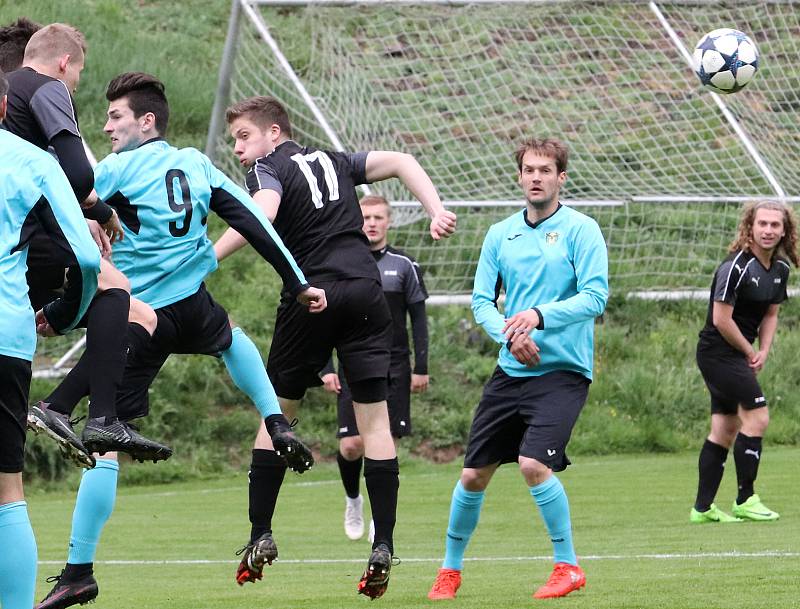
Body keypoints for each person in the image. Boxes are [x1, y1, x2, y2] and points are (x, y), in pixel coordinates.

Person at [35, 73, 326, 609]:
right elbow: (253, 223)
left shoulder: (116, 168)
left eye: (115, 116)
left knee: (103, 447)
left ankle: (78, 570)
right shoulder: (197, 162)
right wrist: (299, 281)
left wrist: (55, 302)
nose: (106, 126)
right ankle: (274, 418)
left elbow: (64, 215)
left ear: (146, 121)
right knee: (229, 335)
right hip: (192, 303)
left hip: (139, 315)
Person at [217, 95, 456, 598]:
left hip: (314, 294)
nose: (239, 148)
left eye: (244, 135)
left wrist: (208, 258)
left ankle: (260, 532)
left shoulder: (269, 167)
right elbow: (402, 161)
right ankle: (384, 543)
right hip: (367, 293)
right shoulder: (335, 159)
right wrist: (435, 209)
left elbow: (262, 215)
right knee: (375, 422)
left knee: (275, 412)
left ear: (274, 133)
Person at [427, 138, 608, 601]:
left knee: (532, 464)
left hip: (563, 372)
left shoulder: (581, 229)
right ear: (520, 176)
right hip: (510, 371)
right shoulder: (500, 233)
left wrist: (538, 316)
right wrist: (510, 334)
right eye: (529, 169)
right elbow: (482, 302)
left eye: (545, 170)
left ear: (561, 177)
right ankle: (449, 570)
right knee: (472, 476)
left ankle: (568, 566)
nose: (535, 177)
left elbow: (594, 296)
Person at [4, 23, 167, 465]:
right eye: (78, 72)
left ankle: (60, 406)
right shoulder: (48, 88)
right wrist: (97, 210)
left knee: (127, 305)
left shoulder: (11, 95)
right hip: (30, 233)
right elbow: (78, 174)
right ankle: (100, 417)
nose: (76, 83)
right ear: (64, 62)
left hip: (18, 233)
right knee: (116, 292)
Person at [0, 70, 101, 609]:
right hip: (7, 333)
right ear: (3, 105)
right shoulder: (34, 160)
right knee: (7, 490)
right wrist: (68, 313)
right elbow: (86, 256)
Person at [319, 194, 429, 542]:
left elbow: (419, 320)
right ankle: (353, 500)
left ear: (389, 221)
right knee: (352, 445)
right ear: (356, 219)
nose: (372, 222)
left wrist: (421, 366)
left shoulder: (404, 265)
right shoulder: (339, 264)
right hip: (352, 362)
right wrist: (326, 366)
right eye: (366, 216)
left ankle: (382, 520)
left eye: (379, 217)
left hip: (394, 365)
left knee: (385, 444)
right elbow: (322, 317)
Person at [690, 200, 797, 524]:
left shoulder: (781, 270)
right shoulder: (735, 266)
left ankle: (703, 509)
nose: (768, 230)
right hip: (717, 353)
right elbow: (721, 320)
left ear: (784, 231)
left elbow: (771, 313)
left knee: (724, 429)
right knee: (758, 417)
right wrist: (750, 353)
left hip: (737, 354)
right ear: (749, 226)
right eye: (762, 223)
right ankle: (745, 499)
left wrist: (763, 349)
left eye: (774, 225)